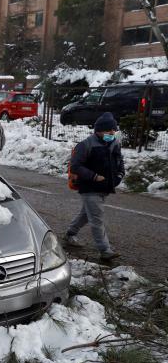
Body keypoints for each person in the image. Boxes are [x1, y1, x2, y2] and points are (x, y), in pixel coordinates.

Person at [64, 112, 125, 261]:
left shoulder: (114, 143)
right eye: (109, 130)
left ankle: (70, 234)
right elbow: (75, 166)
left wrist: (119, 176)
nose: (112, 133)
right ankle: (105, 250)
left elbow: (119, 162)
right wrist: (94, 176)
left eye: (114, 130)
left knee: (86, 215)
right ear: (99, 130)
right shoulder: (86, 145)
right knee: (97, 219)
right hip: (89, 188)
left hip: (104, 188)